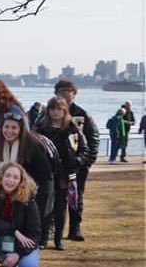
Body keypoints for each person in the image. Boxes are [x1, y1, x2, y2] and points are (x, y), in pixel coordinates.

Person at [0, 112, 53, 224]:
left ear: (21, 129)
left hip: (24, 193)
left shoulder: (32, 145)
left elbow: (44, 174)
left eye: (14, 127)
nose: (9, 131)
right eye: (6, 127)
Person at [33, 97, 88, 250]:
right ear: (48, 111)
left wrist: (77, 162)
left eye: (59, 109)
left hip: (65, 174)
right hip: (46, 174)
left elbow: (84, 150)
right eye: (52, 109)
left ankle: (58, 239)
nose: (55, 112)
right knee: (44, 207)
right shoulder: (40, 129)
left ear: (65, 111)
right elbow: (32, 149)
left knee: (61, 207)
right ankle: (43, 238)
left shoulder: (73, 129)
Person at [54, 79, 99, 243]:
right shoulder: (49, 112)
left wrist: (86, 161)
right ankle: (53, 229)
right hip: (56, 166)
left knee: (76, 197)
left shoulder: (82, 114)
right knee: (54, 198)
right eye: (61, 90)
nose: (65, 94)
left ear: (74, 93)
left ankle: (75, 228)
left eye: (68, 90)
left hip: (77, 165)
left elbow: (93, 138)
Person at [0, 163, 42, 267]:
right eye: (7, 175)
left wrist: (18, 254)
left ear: (21, 181)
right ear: (1, 177)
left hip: (21, 245)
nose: (10, 180)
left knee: (29, 265)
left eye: (16, 177)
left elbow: (35, 235)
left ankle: (12, 258)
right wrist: (14, 231)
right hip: (1, 240)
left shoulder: (28, 200)